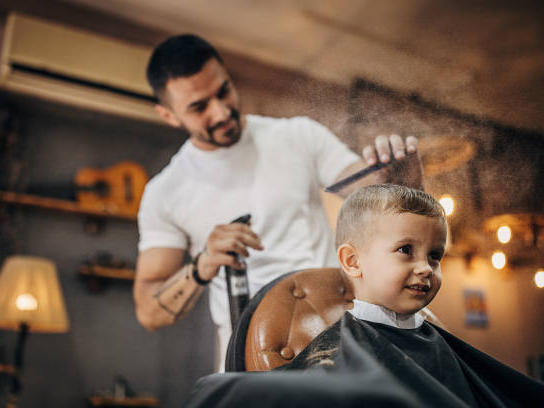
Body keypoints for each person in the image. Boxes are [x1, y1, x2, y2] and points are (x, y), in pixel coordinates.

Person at [133, 34, 423, 372]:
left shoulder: (297, 136)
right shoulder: (165, 191)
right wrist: (203, 265)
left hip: (339, 337)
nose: (221, 111)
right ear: (168, 115)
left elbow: (383, 200)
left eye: (223, 91)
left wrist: (405, 181)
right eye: (199, 107)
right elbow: (148, 312)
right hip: (251, 358)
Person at [184, 185, 544, 407]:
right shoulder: (340, 348)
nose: (426, 268)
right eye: (406, 250)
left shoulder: (435, 339)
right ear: (353, 261)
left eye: (435, 255)